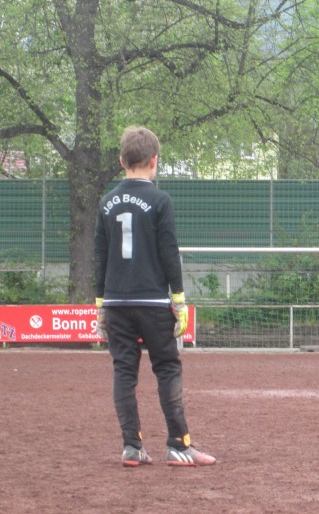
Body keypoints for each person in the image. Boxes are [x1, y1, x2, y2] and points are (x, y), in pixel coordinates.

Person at [94, 126, 216, 467]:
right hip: (152, 300)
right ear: (154, 161)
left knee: (124, 371)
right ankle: (179, 444)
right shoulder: (161, 200)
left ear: (121, 162)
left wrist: (99, 304)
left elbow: (99, 255)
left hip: (116, 301)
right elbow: (168, 251)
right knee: (167, 369)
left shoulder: (105, 202)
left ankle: (132, 446)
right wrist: (178, 299)